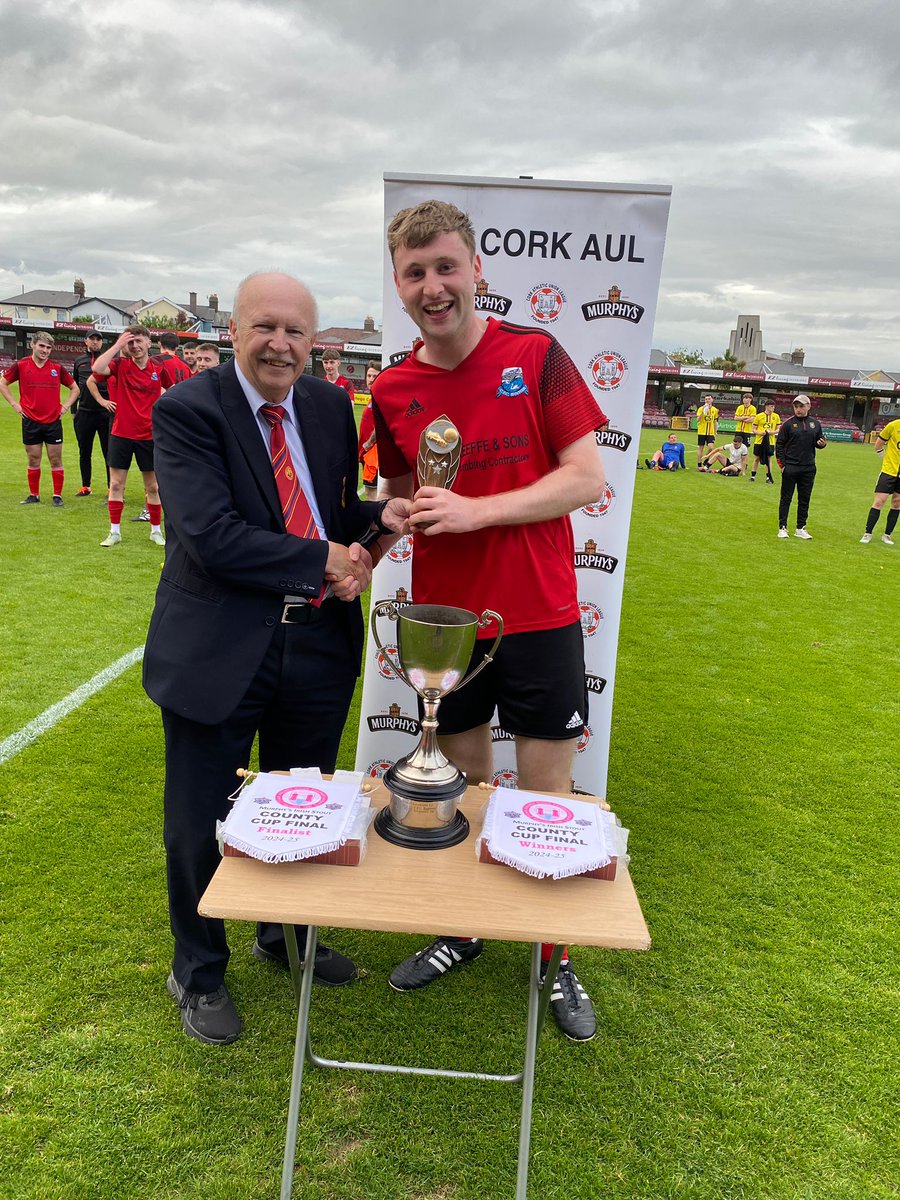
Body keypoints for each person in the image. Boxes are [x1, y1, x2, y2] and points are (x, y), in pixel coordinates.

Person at [143, 271, 407, 1046]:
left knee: (299, 807)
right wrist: (325, 556)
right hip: (219, 647)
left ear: (314, 341)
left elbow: (326, 512)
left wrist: (376, 515)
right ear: (234, 331)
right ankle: (197, 970)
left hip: (318, 645)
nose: (280, 344)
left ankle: (284, 938)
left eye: (296, 331)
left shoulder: (327, 406)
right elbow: (210, 534)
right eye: (265, 327)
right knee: (201, 820)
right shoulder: (188, 408)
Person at [371, 199, 608, 1042]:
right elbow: (400, 493)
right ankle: (464, 928)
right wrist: (395, 515)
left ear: (476, 269)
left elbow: (585, 479)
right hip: (445, 625)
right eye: (414, 273)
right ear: (399, 286)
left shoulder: (534, 353)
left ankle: (557, 958)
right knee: (463, 788)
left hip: (540, 615)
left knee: (548, 794)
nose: (433, 286)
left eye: (445, 267)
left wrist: (479, 512)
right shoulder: (391, 385)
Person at [91, 324, 165, 546]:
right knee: (116, 485)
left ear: (148, 343)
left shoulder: (159, 369)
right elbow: (97, 368)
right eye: (130, 342)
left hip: (149, 436)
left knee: (153, 487)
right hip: (121, 434)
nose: (134, 346)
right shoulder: (120, 365)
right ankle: (115, 532)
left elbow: (175, 391)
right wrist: (117, 345)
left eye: (138, 341)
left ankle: (155, 530)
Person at [0, 333, 79, 506]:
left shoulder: (57, 368)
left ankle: (57, 496)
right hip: (30, 421)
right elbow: (2, 383)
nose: (45, 350)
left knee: (56, 459)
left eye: (48, 348)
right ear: (33, 345)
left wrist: (65, 406)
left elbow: (75, 389)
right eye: (42, 346)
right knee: (33, 458)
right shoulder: (21, 365)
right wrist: (15, 404)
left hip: (52, 421)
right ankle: (33, 495)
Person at [775, 394, 826, 539]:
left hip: (808, 467)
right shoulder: (788, 424)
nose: (798, 409)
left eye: (801, 406)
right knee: (786, 498)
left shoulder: (815, 424)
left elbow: (819, 441)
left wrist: (822, 444)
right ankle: (782, 527)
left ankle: (800, 528)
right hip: (791, 467)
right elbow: (779, 445)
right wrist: (783, 465)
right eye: (796, 407)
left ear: (809, 406)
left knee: (805, 498)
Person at [70, 331, 111, 496]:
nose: (95, 342)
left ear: (102, 343)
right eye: (92, 339)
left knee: (108, 451)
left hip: (105, 413)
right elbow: (75, 386)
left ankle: (111, 488)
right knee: (84, 451)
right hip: (84, 413)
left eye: (98, 340)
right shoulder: (79, 361)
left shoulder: (108, 361)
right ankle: (85, 486)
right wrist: (74, 411)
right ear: (85, 341)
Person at [859, 418, 900, 545]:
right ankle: (868, 533)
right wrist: (883, 457)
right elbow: (879, 443)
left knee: (897, 503)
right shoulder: (893, 426)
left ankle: (887, 535)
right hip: (888, 472)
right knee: (879, 501)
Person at [357, 360, 380, 499]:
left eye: (375, 376)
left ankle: (375, 521)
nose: (371, 379)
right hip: (366, 452)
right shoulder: (372, 396)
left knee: (372, 493)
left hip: (373, 453)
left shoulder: (380, 397)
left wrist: (368, 444)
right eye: (369, 375)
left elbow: (382, 424)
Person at [750, 399, 780, 483]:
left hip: (770, 441)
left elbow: (778, 429)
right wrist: (760, 433)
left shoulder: (776, 416)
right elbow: (753, 429)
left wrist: (772, 432)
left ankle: (768, 477)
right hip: (759, 441)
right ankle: (752, 476)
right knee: (757, 458)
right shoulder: (759, 416)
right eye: (771, 406)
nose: (773, 408)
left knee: (769, 459)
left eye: (774, 406)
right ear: (766, 406)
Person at [695, 396, 718, 467]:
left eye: (709, 399)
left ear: (712, 400)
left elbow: (715, 421)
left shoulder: (715, 410)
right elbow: (698, 420)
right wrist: (703, 411)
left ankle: (706, 459)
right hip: (702, 431)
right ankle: (699, 464)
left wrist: (715, 431)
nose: (707, 400)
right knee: (700, 448)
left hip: (710, 432)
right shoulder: (701, 409)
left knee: (711, 447)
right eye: (706, 399)